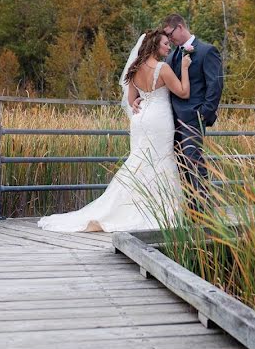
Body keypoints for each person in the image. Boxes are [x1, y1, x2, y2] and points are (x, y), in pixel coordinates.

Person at [37, 29, 191, 232]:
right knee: (160, 160)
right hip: (160, 120)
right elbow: (183, 92)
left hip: (141, 119)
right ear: (155, 46)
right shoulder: (163, 68)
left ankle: (129, 206)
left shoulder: (135, 68)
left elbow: (130, 100)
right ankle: (158, 210)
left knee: (140, 161)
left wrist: (138, 102)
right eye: (165, 44)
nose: (168, 47)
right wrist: (185, 67)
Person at [160, 13, 223, 211]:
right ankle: (190, 208)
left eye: (170, 34)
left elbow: (216, 84)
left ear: (180, 27)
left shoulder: (206, 51)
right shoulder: (172, 57)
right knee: (180, 163)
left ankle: (204, 211)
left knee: (194, 161)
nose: (170, 40)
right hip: (172, 120)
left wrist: (204, 113)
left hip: (194, 117)